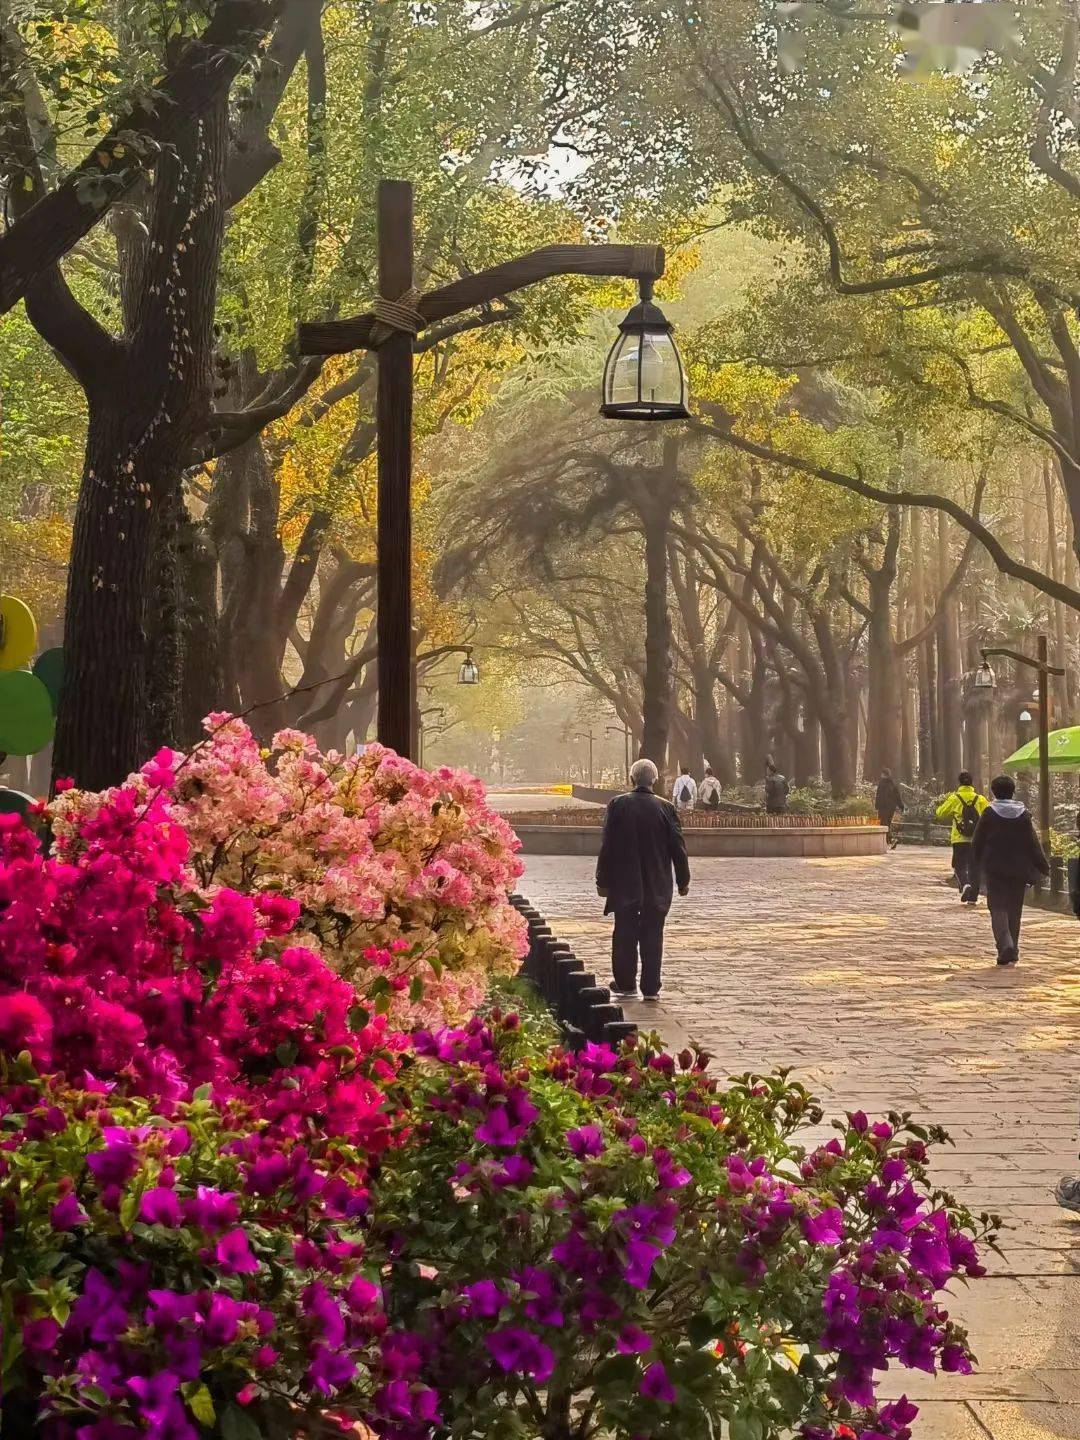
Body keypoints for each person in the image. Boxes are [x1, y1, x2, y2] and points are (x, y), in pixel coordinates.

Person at [596, 757, 690, 1002]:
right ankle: (650, 986)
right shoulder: (666, 808)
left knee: (624, 932)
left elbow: (608, 845)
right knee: (653, 933)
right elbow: (677, 847)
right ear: (655, 781)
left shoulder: (618, 805)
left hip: (624, 882)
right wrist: (683, 880)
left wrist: (602, 880)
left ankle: (625, 982)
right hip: (657, 883)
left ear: (631, 779)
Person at [970, 773, 1049, 966]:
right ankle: (1013, 949)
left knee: (997, 907)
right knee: (1015, 910)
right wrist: (1042, 865)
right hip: (1019, 869)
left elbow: (977, 841)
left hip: (995, 869)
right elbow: (1032, 842)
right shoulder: (1023, 814)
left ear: (994, 791)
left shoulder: (989, 813)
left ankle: (1005, 944)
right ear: (1013, 792)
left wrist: (976, 863)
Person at [935, 771, 988, 902]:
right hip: (977, 838)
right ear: (972, 783)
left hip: (959, 838)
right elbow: (988, 815)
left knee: (959, 865)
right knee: (975, 867)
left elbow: (940, 813)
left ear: (959, 783)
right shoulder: (980, 799)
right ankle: (973, 897)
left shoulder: (955, 798)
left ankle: (965, 885)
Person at [874, 768, 904, 849]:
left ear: (883, 774)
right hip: (891, 807)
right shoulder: (893, 783)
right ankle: (888, 841)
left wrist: (876, 806)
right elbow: (897, 795)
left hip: (883, 807)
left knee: (884, 824)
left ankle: (890, 840)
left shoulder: (882, 783)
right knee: (888, 824)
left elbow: (878, 796)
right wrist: (901, 805)